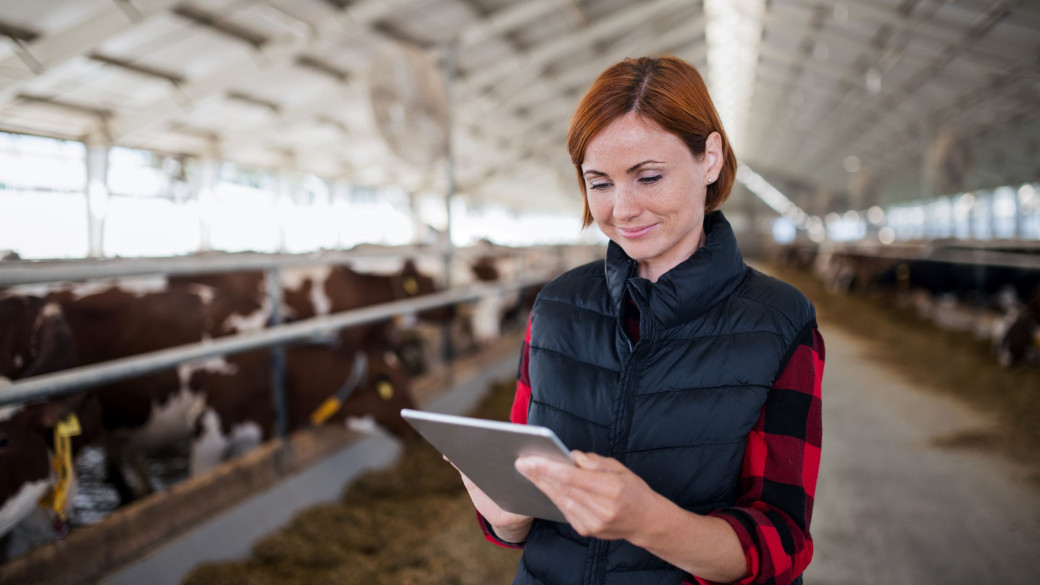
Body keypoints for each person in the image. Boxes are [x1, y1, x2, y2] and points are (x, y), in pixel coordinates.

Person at [453, 55, 824, 585]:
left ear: (710, 158)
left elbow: (782, 543)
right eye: (599, 183)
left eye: (648, 176)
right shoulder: (556, 306)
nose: (622, 209)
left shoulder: (781, 323)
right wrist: (506, 516)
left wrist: (652, 522)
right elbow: (518, 501)